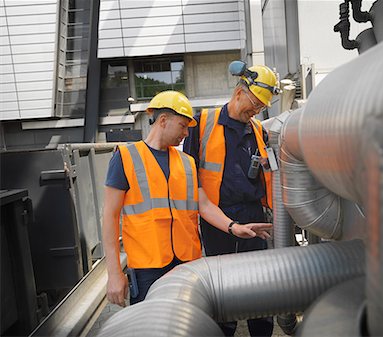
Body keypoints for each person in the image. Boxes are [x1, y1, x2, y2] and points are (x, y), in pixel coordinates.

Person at [102, 90, 272, 308]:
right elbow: (110, 217)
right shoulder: (126, 157)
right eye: (183, 126)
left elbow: (205, 205)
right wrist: (114, 273)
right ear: (163, 120)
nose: (186, 134)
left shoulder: (187, 163)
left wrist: (234, 227)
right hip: (148, 267)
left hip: (187, 263)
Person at [183, 62, 280, 337]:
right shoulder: (202, 124)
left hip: (253, 214)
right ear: (240, 91)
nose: (255, 111)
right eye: (254, 104)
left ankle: (261, 332)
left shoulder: (259, 131)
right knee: (222, 286)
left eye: (261, 108)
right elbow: (189, 177)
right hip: (216, 217)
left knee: (258, 284)